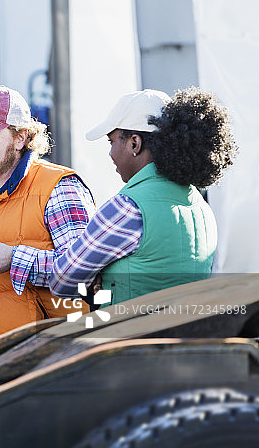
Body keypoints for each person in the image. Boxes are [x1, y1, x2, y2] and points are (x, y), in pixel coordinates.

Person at [0, 85, 96, 354]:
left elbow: (85, 272)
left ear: (20, 138)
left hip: (40, 367)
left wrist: (14, 259)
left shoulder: (59, 188)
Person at [49, 87, 237, 303]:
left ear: (134, 143)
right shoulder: (202, 207)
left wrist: (97, 278)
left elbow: (61, 280)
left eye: (111, 142)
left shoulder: (127, 208)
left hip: (131, 335)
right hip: (185, 334)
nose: (110, 153)